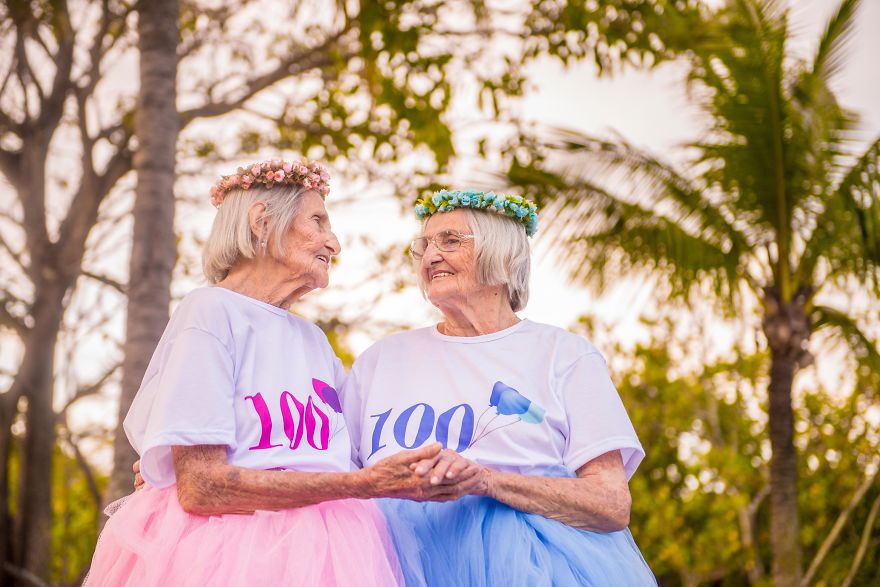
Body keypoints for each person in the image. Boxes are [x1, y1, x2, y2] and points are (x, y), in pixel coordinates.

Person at [86, 161, 471, 587]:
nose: (335, 243)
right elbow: (201, 488)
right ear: (262, 222)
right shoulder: (211, 311)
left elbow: (350, 452)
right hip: (223, 557)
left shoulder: (313, 340)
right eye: (318, 221)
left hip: (333, 553)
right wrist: (363, 484)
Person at [342, 189, 658, 586]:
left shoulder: (564, 355)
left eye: (450, 241)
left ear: (503, 253)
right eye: (423, 246)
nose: (430, 257)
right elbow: (340, 480)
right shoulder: (380, 360)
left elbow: (611, 504)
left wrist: (486, 481)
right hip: (393, 567)